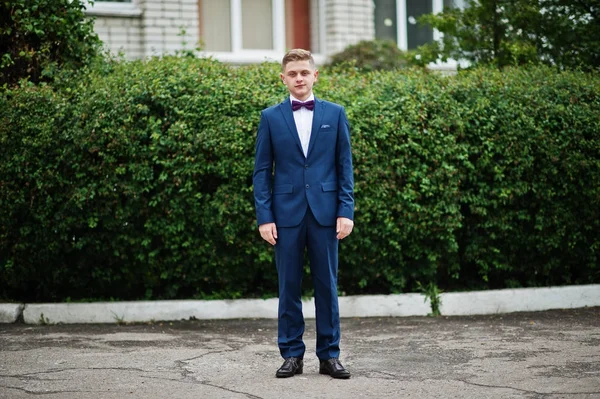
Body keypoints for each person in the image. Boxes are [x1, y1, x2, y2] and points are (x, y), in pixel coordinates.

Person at [253, 49, 355, 379]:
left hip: (326, 214)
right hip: (285, 216)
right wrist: (265, 216)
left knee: (327, 285)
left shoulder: (335, 114)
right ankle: (292, 355)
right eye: (292, 73)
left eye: (304, 72)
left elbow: (344, 167)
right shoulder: (270, 117)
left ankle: (329, 355)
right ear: (283, 78)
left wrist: (346, 210)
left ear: (315, 76)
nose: (299, 78)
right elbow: (262, 171)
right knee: (289, 287)